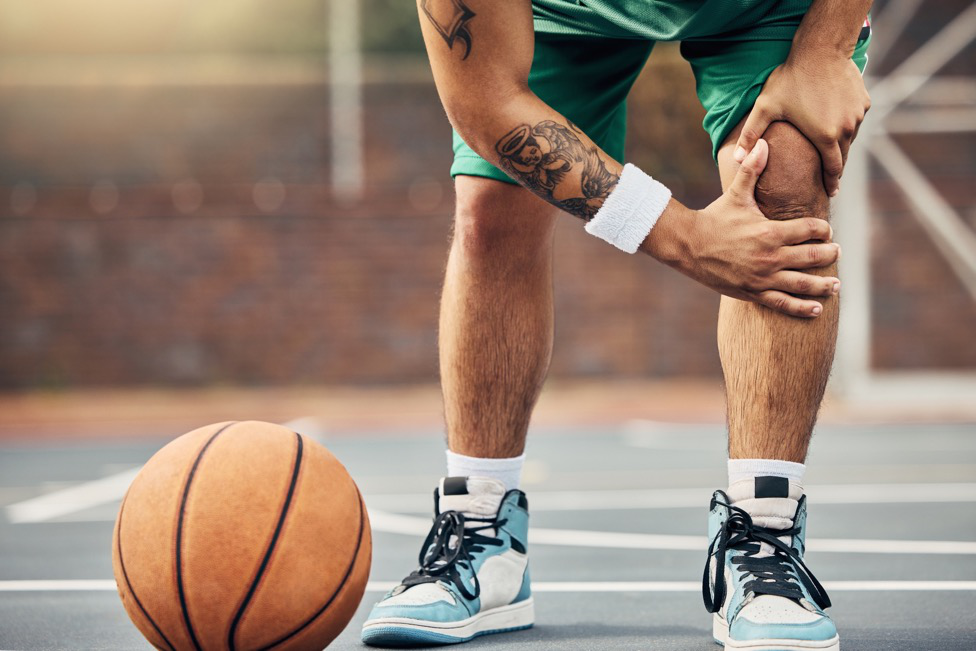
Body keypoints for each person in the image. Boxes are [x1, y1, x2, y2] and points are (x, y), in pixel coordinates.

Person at [361, 0, 871, 649]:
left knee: (786, 169)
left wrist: (826, 48)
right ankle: (481, 521)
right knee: (491, 207)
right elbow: (489, 105)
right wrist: (686, 237)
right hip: (566, 11)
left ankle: (764, 529)